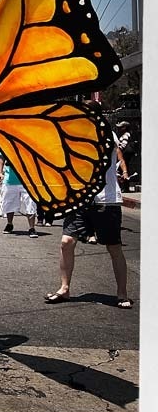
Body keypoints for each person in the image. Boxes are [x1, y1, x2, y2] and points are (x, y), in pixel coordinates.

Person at [45, 107, 132, 309]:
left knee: (114, 247)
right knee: (66, 242)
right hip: (81, 201)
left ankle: (122, 293)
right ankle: (64, 289)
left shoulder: (105, 134)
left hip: (106, 200)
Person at [0, 155, 38, 238]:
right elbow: (1, 157)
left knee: (30, 204)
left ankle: (32, 228)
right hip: (10, 181)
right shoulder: (8, 143)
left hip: (28, 181)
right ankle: (9, 224)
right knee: (9, 204)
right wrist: (0, 172)